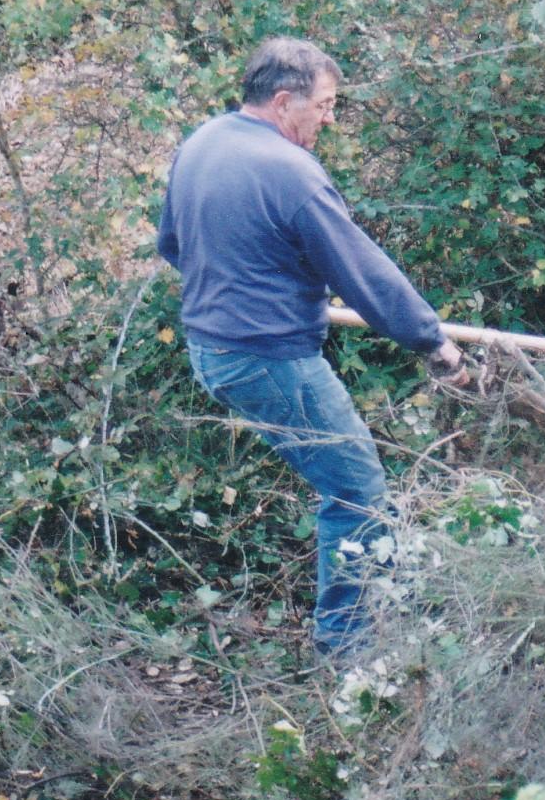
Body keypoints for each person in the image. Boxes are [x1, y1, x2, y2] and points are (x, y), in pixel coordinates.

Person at [158, 36, 463, 655]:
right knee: (358, 494)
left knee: (347, 486)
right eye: (323, 105)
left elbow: (173, 246)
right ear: (281, 101)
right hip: (267, 360)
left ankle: (378, 621)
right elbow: (363, 273)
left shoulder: (204, 142)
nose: (330, 118)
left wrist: (261, 280)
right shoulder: (291, 173)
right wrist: (433, 343)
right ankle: (349, 650)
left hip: (212, 349)